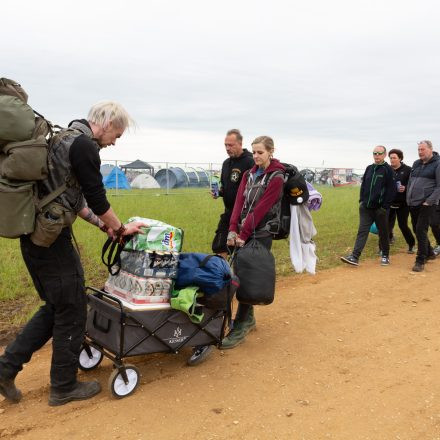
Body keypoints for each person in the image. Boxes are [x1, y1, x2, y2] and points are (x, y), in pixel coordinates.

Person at [0, 102, 147, 406]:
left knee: (57, 305)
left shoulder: (65, 138)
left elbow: (73, 199)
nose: (115, 141)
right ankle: (64, 386)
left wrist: (102, 226)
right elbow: (97, 196)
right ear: (105, 124)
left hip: (35, 236)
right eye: (116, 134)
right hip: (52, 240)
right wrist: (120, 229)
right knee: (73, 307)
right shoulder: (85, 147)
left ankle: (5, 369)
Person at [222, 135, 285, 349]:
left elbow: (261, 209)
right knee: (241, 274)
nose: (256, 156)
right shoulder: (249, 174)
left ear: (271, 151)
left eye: (261, 152)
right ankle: (247, 318)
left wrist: (243, 234)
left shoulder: (276, 177)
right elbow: (239, 202)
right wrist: (232, 229)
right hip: (243, 231)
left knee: (248, 277)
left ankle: (242, 322)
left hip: (262, 233)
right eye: (254, 152)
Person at [341, 145, 395, 267]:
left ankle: (385, 255)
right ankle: (355, 257)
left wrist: (384, 207)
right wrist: (361, 201)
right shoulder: (369, 168)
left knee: (383, 232)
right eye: (375, 153)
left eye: (379, 153)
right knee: (362, 231)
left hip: (380, 209)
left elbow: (392, 190)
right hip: (366, 208)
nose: (377, 155)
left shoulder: (388, 170)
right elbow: (364, 185)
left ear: (384, 155)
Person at [211, 129, 254, 259]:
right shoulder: (226, 163)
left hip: (244, 214)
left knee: (241, 249)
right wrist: (219, 192)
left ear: (240, 144)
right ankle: (223, 276)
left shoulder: (250, 161)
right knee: (220, 244)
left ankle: (240, 276)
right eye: (226, 145)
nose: (227, 148)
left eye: (231, 145)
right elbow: (227, 187)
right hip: (229, 212)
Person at [406, 140, 440, 272]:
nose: (420, 152)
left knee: (420, 229)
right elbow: (410, 182)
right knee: (416, 229)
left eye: (423, 149)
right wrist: (408, 197)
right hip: (413, 202)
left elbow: (439, 187)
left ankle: (420, 260)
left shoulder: (437, 164)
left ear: (430, 149)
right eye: (419, 150)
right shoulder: (416, 163)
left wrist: (429, 201)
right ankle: (430, 252)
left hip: (427, 204)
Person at [386, 149, 415, 253]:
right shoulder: (387, 169)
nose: (392, 160)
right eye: (390, 158)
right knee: (387, 225)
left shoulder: (408, 170)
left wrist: (405, 188)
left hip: (403, 203)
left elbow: (413, 184)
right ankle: (384, 247)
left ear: (400, 159)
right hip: (389, 202)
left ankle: (411, 244)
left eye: (394, 158)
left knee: (402, 225)